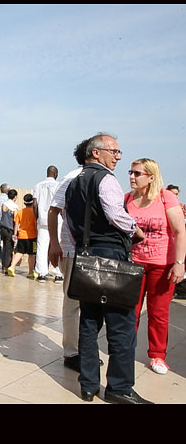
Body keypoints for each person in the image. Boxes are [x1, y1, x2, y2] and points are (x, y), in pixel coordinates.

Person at [64, 132, 151, 404]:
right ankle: (119, 388)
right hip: (112, 255)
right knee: (122, 325)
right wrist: (135, 231)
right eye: (114, 151)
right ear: (96, 153)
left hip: (86, 255)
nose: (118, 156)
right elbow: (115, 214)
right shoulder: (106, 179)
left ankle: (88, 385)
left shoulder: (73, 181)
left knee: (89, 322)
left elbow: (67, 220)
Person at [124, 158, 186, 375]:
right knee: (130, 311)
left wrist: (179, 264)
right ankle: (126, 350)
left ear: (151, 177)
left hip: (162, 265)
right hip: (134, 264)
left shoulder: (165, 197)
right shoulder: (127, 199)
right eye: (130, 172)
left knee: (159, 313)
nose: (132, 176)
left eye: (137, 173)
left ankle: (157, 355)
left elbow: (180, 232)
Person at [48, 138, 90, 373]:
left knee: (88, 304)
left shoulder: (98, 178)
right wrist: (54, 243)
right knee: (73, 302)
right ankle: (72, 352)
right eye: (112, 151)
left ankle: (84, 349)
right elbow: (54, 210)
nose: (117, 156)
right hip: (73, 250)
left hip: (89, 251)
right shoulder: (73, 178)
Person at [33, 166, 63, 283]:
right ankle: (59, 273)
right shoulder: (58, 185)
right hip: (56, 219)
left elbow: (35, 205)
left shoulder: (38, 185)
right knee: (58, 244)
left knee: (42, 246)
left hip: (43, 219)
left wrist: (37, 219)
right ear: (55, 174)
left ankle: (41, 274)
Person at [6, 193, 38, 278]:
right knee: (32, 254)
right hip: (32, 236)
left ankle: (12, 267)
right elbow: (36, 225)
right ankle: (31, 272)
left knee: (19, 252)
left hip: (21, 236)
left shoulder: (20, 212)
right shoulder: (34, 213)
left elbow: (16, 224)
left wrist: (15, 234)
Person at [0, 189, 19, 273]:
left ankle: (4, 265)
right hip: (10, 229)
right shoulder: (15, 207)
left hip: (2, 227)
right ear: (15, 197)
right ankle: (7, 266)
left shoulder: (4, 204)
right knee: (9, 248)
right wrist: (15, 233)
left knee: (4, 247)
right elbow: (16, 220)